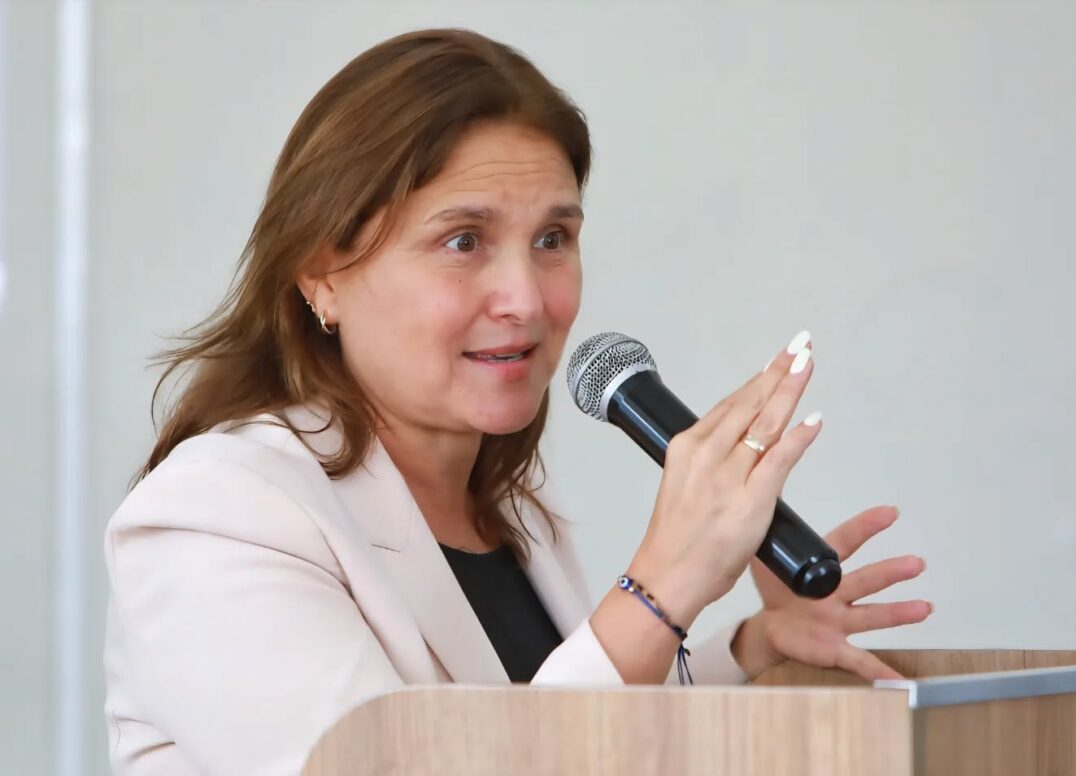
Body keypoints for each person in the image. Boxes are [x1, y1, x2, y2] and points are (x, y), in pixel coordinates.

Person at [103, 28, 931, 776]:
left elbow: (553, 726)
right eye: (463, 241)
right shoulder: (217, 513)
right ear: (322, 274)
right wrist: (660, 588)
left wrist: (751, 649)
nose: (527, 301)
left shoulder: (510, 513)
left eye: (553, 240)